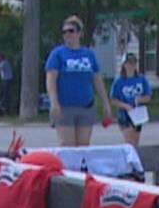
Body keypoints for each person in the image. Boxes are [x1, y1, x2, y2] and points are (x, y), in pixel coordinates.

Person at [45, 15, 111, 147]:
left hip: (86, 106)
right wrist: (54, 102)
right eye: (64, 32)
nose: (67, 34)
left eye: (71, 31)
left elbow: (97, 79)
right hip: (65, 107)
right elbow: (51, 79)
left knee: (83, 146)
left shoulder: (89, 54)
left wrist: (105, 103)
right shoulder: (58, 54)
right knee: (67, 145)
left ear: (79, 33)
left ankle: (80, 169)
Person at [110, 52, 151, 147]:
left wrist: (140, 99)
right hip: (125, 115)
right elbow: (113, 100)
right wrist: (125, 106)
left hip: (137, 115)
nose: (131, 66)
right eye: (129, 63)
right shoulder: (119, 81)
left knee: (135, 143)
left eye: (134, 63)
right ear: (124, 65)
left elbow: (148, 97)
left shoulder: (141, 79)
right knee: (129, 143)